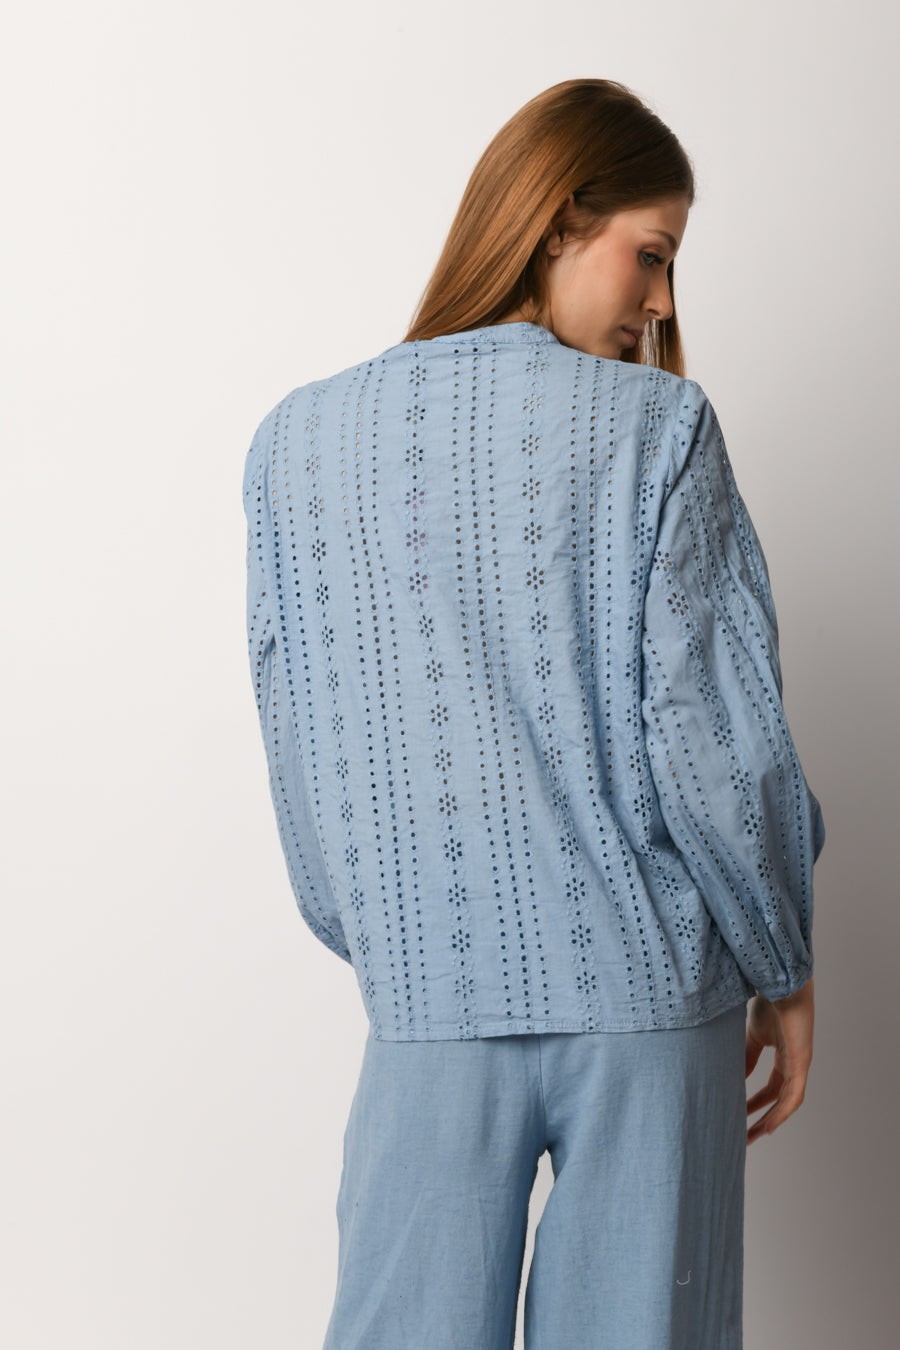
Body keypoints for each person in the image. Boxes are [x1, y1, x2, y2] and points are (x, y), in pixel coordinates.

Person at [242, 78, 824, 1350]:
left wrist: (407, 944)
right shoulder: (660, 427)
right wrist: (783, 959)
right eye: (652, 254)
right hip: (650, 1006)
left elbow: (307, 762)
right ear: (560, 219)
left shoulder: (296, 442)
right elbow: (719, 743)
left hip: (427, 1005)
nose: (662, 301)